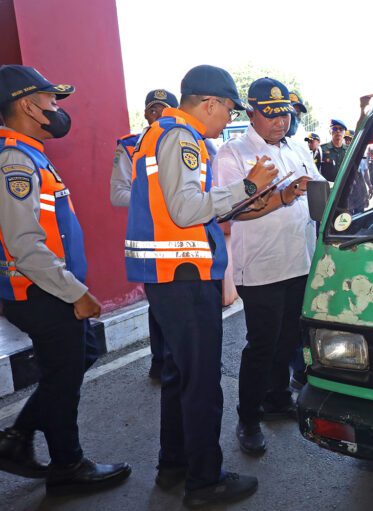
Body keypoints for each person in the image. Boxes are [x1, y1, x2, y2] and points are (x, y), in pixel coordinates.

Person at [125, 64, 277, 508]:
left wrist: (247, 198)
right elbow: (186, 209)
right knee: (202, 383)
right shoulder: (182, 137)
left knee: (178, 376)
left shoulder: (163, 133)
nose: (228, 119)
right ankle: (204, 481)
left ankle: (174, 464)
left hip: (171, 276)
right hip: (185, 276)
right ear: (209, 103)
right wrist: (248, 184)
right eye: (228, 109)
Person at [0, 64, 131, 494]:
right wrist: (78, 293)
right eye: (51, 100)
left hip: (48, 286)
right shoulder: (15, 161)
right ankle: (67, 467)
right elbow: (25, 245)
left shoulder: (29, 152)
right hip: (40, 289)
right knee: (65, 375)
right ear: (27, 105)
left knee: (75, 359)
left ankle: (17, 439)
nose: (57, 108)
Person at [215, 77, 322, 456]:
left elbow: (317, 191)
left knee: (289, 338)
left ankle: (278, 398)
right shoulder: (233, 154)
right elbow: (232, 213)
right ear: (252, 113)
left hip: (299, 260)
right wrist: (286, 194)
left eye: (285, 114)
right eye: (271, 114)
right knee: (261, 344)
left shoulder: (296, 149)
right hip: (261, 267)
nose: (280, 122)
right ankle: (248, 418)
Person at [111, 88, 178, 381]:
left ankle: (178, 360)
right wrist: (158, 199)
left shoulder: (191, 142)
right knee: (159, 302)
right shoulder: (129, 146)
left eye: (163, 109)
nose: (157, 115)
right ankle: (159, 361)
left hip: (187, 237)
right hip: (151, 236)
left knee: (184, 304)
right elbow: (117, 194)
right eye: (152, 109)